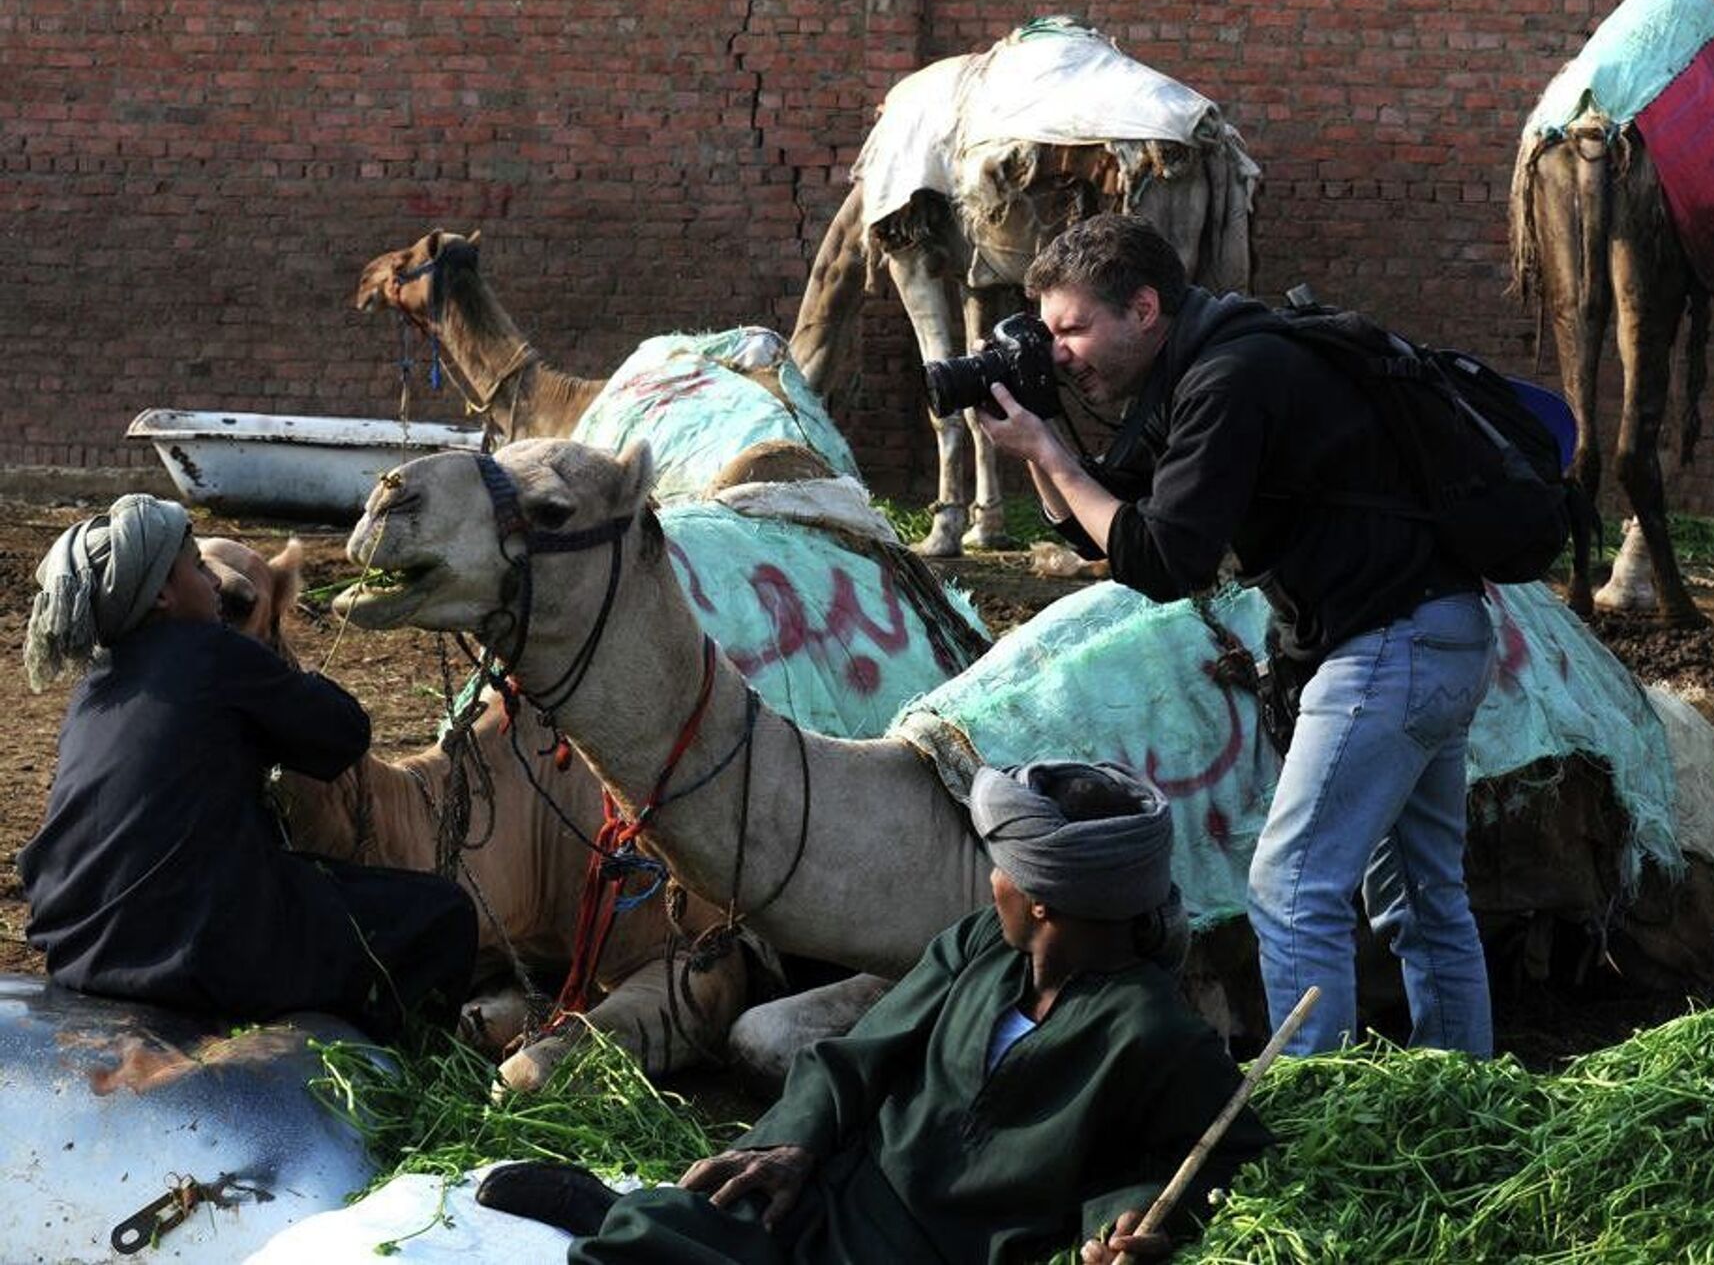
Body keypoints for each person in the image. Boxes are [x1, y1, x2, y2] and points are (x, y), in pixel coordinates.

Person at [978, 214, 1497, 1058]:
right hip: (1437, 632)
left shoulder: (1229, 376)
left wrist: (1052, 450)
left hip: (1389, 643)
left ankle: (1309, 1114)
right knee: (1422, 892)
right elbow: (1102, 519)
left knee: (1293, 885)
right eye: (1048, 333)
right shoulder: (1205, 362)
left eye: (1072, 328)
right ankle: (1467, 1088)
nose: (1059, 350)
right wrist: (1039, 441)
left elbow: (1160, 560)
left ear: (1143, 308)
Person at [477, 759, 1271, 1264]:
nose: (987, 881)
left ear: (1039, 901)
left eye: (998, 868)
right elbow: (860, 1055)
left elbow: (1210, 1153)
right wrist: (794, 1141)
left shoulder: (1155, 1031)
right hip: (843, 1180)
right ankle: (624, 1214)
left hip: (950, 1243)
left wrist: (1128, 1226)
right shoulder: (977, 947)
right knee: (708, 1214)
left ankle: (629, 1220)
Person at [18, 493, 476, 1042]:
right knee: (442, 915)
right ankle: (401, 1085)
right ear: (162, 594)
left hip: (76, 948)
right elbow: (343, 733)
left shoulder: (95, 687)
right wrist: (291, 674)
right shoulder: (213, 652)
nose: (213, 582)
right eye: (196, 566)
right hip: (187, 951)